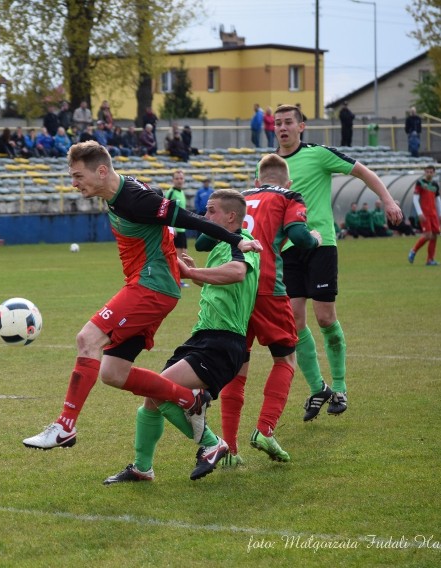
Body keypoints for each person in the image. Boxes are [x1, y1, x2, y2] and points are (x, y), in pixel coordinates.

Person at [22, 141, 262, 451]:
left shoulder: (135, 198)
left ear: (102, 170)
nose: (74, 183)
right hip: (148, 284)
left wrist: (235, 240)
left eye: (78, 176)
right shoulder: (118, 193)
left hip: (151, 287)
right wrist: (172, 256)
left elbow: (187, 218)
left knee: (88, 339)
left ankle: (65, 425)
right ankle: (188, 399)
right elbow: (159, 229)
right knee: (113, 372)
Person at [102, 189, 260, 484]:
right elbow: (224, 289)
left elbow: (237, 273)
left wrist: (192, 274)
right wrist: (198, 271)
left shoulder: (240, 245)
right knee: (152, 399)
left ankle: (212, 443)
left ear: (231, 217)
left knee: (158, 391)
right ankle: (142, 468)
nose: (205, 217)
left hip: (222, 342)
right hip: (203, 339)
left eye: (211, 211)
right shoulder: (220, 249)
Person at [267, 104, 402, 420]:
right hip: (287, 249)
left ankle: (340, 388)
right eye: (278, 123)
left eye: (289, 122)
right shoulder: (269, 165)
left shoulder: (318, 154)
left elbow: (362, 171)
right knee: (294, 322)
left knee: (325, 317)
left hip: (321, 243)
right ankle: (319, 388)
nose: (282, 127)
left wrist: (388, 200)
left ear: (302, 126)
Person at [211, 155, 323, 468]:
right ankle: (265, 429)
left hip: (234, 286)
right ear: (287, 182)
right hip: (267, 285)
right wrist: (314, 238)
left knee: (238, 365)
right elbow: (299, 237)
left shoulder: (240, 198)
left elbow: (206, 239)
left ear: (257, 180)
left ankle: (230, 450)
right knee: (285, 358)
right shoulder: (289, 196)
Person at [408, 165, 441, 266]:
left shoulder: (435, 185)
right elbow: (415, 198)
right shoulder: (420, 183)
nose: (429, 173)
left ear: (434, 173)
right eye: (427, 171)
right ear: (424, 172)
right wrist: (419, 213)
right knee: (428, 235)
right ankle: (413, 250)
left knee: (434, 236)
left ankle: (430, 260)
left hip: (433, 214)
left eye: (431, 172)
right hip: (425, 213)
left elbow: (438, 200)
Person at [165, 170, 189, 287]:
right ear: (173, 180)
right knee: (177, 256)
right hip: (175, 230)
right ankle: (175, 280)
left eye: (181, 178)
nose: (179, 180)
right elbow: (166, 209)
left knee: (184, 254)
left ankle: (179, 278)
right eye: (177, 178)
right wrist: (171, 226)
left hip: (182, 229)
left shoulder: (181, 192)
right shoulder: (171, 192)